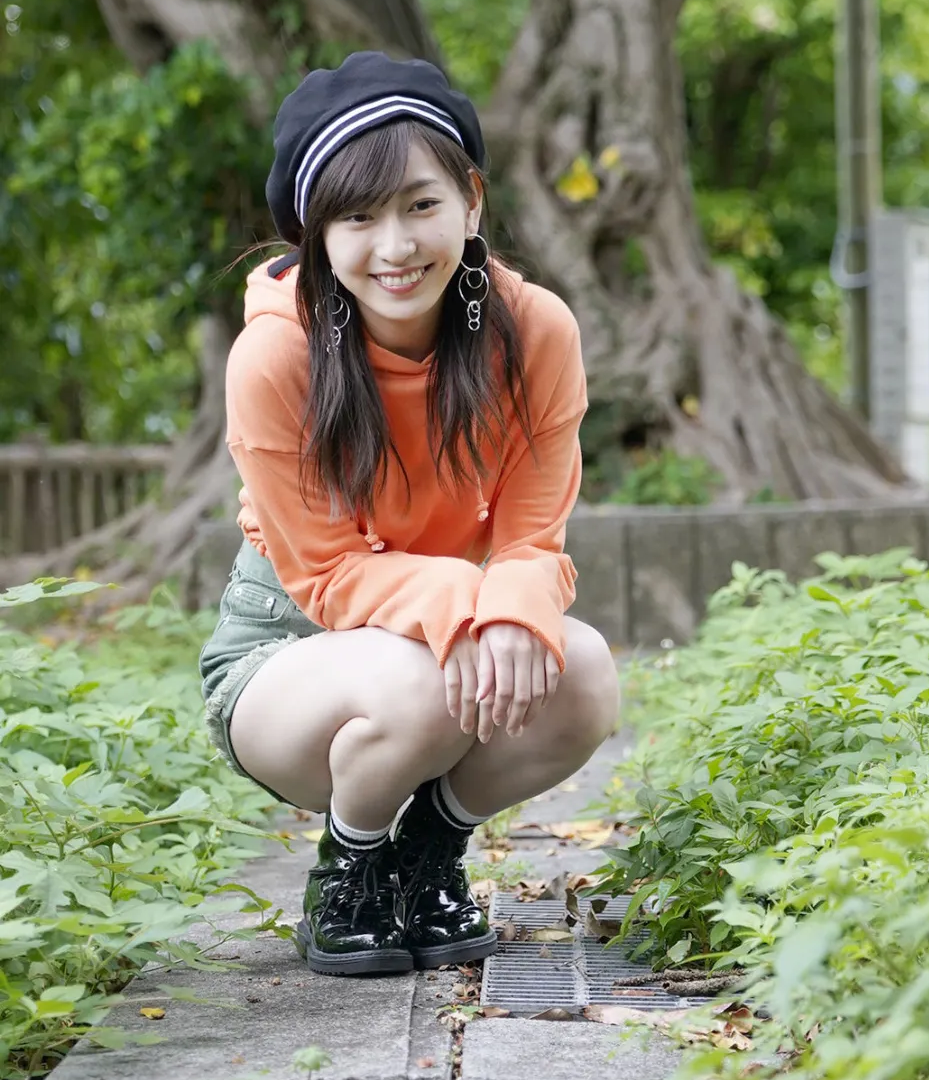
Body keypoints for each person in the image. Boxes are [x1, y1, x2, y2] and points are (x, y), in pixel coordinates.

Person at [199, 53, 620, 978]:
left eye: (419, 206)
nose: (394, 247)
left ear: (471, 202)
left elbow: (534, 530)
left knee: (583, 674)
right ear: (318, 237)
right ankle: (347, 869)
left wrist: (506, 604)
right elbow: (327, 573)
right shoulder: (276, 357)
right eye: (358, 217)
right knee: (417, 681)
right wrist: (470, 600)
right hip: (290, 659)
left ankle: (427, 850)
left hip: (439, 640)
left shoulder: (536, 330)